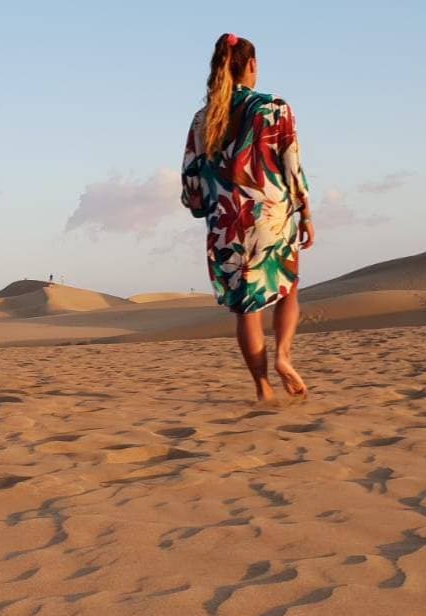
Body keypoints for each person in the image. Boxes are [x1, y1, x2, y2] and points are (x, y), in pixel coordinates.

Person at [181, 33, 314, 402]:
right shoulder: (274, 107)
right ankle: (284, 356)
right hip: (273, 215)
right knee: (287, 289)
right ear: (251, 66)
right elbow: (292, 163)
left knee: (245, 308)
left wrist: (202, 207)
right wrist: (304, 211)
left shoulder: (201, 120)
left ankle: (262, 387)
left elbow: (191, 177)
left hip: (227, 222)